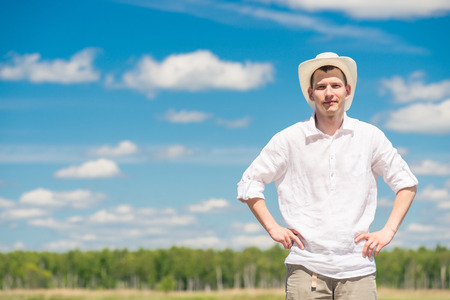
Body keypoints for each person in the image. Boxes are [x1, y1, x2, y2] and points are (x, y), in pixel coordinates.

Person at [236, 52, 418, 299]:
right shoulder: (289, 139)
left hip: (358, 269)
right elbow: (250, 182)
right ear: (311, 94)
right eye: (321, 87)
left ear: (348, 90)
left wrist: (388, 231)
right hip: (306, 267)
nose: (329, 93)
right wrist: (273, 228)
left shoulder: (370, 136)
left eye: (335, 85)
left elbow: (406, 183)